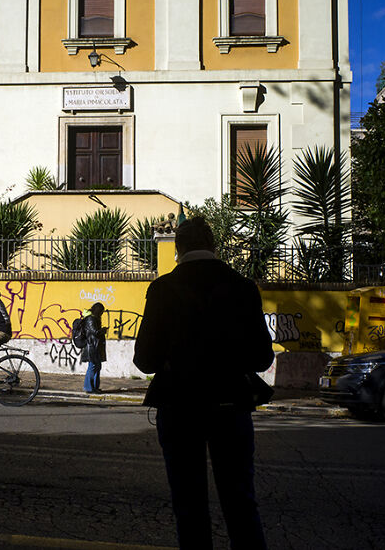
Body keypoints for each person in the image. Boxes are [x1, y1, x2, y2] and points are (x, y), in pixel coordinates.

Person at [133, 216, 274, 549]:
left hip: (179, 408)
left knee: (189, 507)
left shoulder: (163, 289)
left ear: (178, 249)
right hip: (231, 406)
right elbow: (262, 359)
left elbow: (145, 360)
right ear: (213, 245)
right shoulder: (243, 287)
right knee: (240, 504)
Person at [80, 302, 107, 393]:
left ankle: (95, 387)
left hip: (96, 347)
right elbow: (94, 332)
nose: (102, 313)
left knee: (97, 367)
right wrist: (102, 331)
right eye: (101, 311)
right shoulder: (91, 319)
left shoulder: (94, 319)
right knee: (92, 367)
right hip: (92, 347)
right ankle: (89, 387)